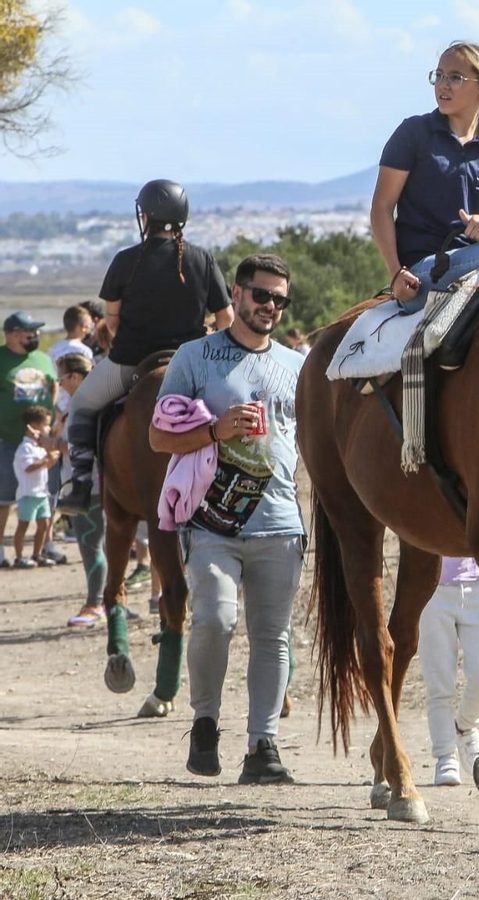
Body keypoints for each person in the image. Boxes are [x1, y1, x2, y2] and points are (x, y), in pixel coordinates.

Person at [151, 254, 305, 785]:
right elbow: (157, 436)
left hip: (281, 522)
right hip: (212, 522)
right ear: (236, 295)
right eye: (261, 295)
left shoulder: (296, 365)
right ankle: (204, 721)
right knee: (215, 619)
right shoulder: (196, 356)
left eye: (280, 300)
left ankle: (263, 747)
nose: (270, 307)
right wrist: (217, 430)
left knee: (273, 636)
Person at [59, 179, 234, 515]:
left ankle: (80, 483)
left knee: (81, 405)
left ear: (146, 216)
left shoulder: (126, 260)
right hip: (191, 365)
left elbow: (112, 321)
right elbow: (225, 318)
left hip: (130, 363)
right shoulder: (203, 259)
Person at [372, 41, 479, 308]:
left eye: (455, 77)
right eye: (440, 75)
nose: (443, 84)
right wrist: (396, 273)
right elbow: (381, 208)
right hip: (423, 270)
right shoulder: (413, 133)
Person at [418, 556, 479, 786]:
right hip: (432, 590)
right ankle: (445, 754)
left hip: (478, 586)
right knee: (439, 682)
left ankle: (465, 727)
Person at [55, 353, 108, 627]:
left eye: (61, 378)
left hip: (89, 487)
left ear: (74, 376)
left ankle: (95, 603)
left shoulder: (83, 403)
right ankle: (108, 601)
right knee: (102, 546)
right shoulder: (100, 399)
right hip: (101, 484)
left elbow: (79, 446)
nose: (59, 384)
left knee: (91, 546)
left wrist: (53, 444)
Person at [1, 312, 56, 568]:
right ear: (11, 333)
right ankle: (1, 550)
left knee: (45, 497)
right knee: (4, 500)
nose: (36, 335)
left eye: (36, 331)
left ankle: (44, 548)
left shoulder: (43, 360)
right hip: (7, 441)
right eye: (29, 331)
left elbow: (53, 387)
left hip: (42, 443)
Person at [11, 406, 59, 569]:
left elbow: (45, 467)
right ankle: (19, 557)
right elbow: (28, 467)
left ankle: (37, 554)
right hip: (28, 494)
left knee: (44, 524)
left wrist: (52, 458)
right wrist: (47, 459)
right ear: (33, 425)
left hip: (41, 493)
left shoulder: (40, 447)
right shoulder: (25, 448)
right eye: (46, 424)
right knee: (23, 525)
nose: (48, 428)